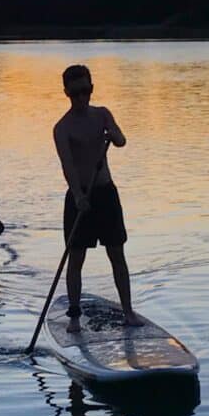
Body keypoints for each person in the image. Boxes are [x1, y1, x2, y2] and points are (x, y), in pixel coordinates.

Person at [53, 64, 142, 333]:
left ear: (91, 89)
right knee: (76, 258)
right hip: (79, 198)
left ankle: (128, 312)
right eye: (76, 92)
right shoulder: (62, 128)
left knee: (117, 253)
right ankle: (75, 318)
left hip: (105, 194)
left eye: (86, 91)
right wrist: (79, 195)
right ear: (66, 92)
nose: (82, 98)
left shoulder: (102, 115)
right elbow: (67, 166)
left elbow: (122, 139)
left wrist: (114, 136)